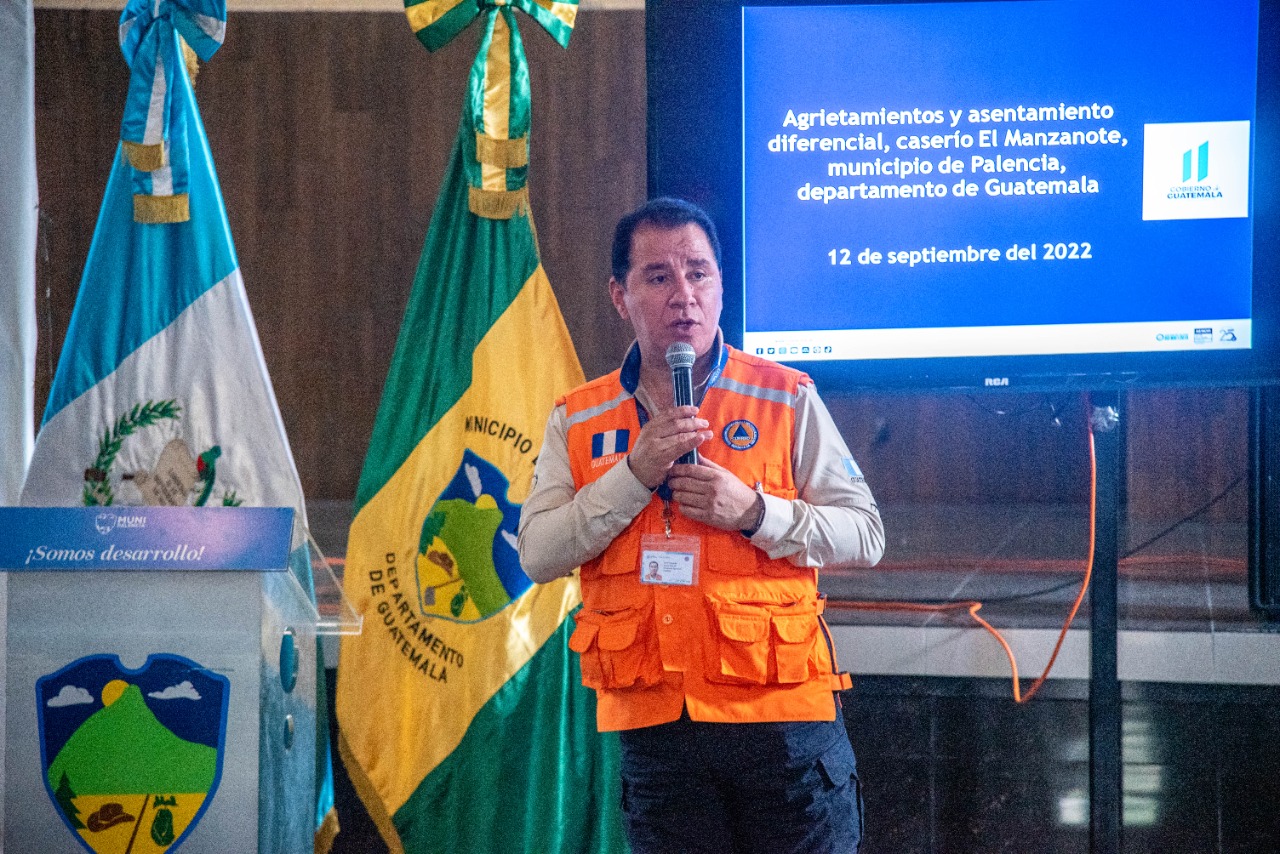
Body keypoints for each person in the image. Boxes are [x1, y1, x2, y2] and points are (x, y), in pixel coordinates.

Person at [517, 197, 884, 853]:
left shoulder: (784, 394)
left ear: (720, 286)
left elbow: (865, 534)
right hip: (659, 732)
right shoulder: (578, 417)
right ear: (619, 295)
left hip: (783, 727)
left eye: (699, 274)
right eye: (658, 277)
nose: (683, 294)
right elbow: (539, 554)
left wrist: (754, 512)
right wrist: (634, 474)